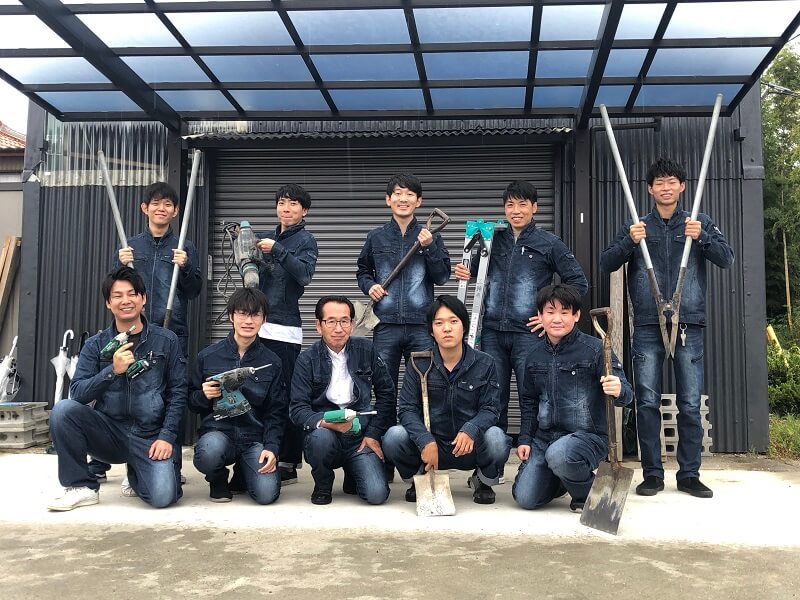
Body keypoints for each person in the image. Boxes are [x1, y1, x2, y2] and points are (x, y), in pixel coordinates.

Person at [600, 158, 733, 499]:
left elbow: (726, 258)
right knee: (646, 402)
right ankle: (653, 475)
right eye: (659, 182)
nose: (665, 187)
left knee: (689, 403)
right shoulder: (637, 225)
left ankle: (689, 475)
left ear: (682, 186)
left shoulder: (699, 222)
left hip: (689, 324)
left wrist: (702, 237)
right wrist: (629, 242)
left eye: (671, 181)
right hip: (647, 324)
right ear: (650, 189)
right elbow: (606, 262)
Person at [454, 179, 588, 435]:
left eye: (522, 204)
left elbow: (578, 283)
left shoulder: (549, 243)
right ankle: (494, 456)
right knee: (493, 395)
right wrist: (465, 272)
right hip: (492, 331)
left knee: (534, 393)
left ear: (534, 207)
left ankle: (533, 449)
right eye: (510, 205)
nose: (516, 211)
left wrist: (550, 316)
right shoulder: (493, 239)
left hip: (529, 333)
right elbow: (476, 271)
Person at [90, 182, 202, 485]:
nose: (161, 208)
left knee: (169, 394)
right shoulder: (130, 246)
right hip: (132, 331)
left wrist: (186, 266)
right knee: (119, 389)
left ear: (176, 211)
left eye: (168, 204)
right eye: (156, 203)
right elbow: (115, 288)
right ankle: (100, 461)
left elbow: (194, 290)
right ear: (145, 208)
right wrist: (118, 263)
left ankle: (171, 463)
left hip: (170, 330)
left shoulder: (184, 246)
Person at [47, 266, 185, 511]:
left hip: (149, 435)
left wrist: (166, 437)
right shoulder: (96, 345)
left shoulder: (166, 340)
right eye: (117, 295)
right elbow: (78, 393)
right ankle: (82, 486)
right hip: (108, 432)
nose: (125, 301)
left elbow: (178, 392)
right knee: (63, 411)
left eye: (132, 294)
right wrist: (112, 371)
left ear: (143, 299)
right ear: (108, 303)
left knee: (163, 497)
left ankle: (137, 471)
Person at [512, 284, 633, 512]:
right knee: (526, 499)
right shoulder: (533, 356)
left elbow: (626, 395)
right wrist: (525, 438)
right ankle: (563, 477)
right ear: (540, 316)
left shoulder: (596, 350)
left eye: (565, 312)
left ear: (576, 315)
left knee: (559, 454)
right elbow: (529, 402)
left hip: (587, 437)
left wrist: (618, 389)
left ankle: (583, 492)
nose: (557, 319)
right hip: (545, 439)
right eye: (550, 312)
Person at [383, 295, 511, 505]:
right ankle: (420, 478)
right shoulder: (418, 363)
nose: (447, 329)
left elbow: (491, 408)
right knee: (393, 437)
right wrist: (424, 439)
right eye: (439, 323)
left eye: (453, 321)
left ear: (464, 326)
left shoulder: (485, 363)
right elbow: (407, 409)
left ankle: (482, 480)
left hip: (469, 446)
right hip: (432, 447)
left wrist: (471, 429)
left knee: (497, 438)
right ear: (431, 331)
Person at [290, 296, 395, 506]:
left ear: (352, 324)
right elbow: (297, 409)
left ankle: (352, 473)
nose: (338, 328)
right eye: (331, 321)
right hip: (325, 432)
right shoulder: (306, 359)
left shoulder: (367, 350)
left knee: (377, 495)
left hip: (359, 434)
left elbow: (387, 394)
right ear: (318, 326)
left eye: (344, 321)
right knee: (320, 438)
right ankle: (323, 483)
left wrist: (373, 434)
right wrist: (326, 423)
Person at [189, 288, 286, 504]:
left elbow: (277, 411)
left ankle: (243, 472)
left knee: (266, 494)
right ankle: (217, 478)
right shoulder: (208, 356)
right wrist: (203, 395)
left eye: (255, 314)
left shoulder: (272, 361)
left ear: (264, 319)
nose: (248, 321)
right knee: (208, 453)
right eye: (242, 313)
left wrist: (271, 447)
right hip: (218, 433)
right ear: (231, 316)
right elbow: (191, 401)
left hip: (254, 438)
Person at [356, 173, 451, 389]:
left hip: (421, 325)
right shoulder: (376, 237)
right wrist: (370, 286)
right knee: (383, 386)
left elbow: (442, 277)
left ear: (419, 201)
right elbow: (363, 271)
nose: (403, 199)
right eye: (398, 194)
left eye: (409, 194)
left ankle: (417, 414)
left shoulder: (431, 237)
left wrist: (429, 247)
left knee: (423, 385)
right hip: (385, 324)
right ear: (388, 199)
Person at [256, 183, 318, 487]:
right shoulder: (265, 238)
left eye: (294, 204)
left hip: (285, 327)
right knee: (260, 390)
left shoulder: (306, 240)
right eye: (282, 202)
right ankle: (260, 450)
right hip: (257, 324)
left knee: (287, 392)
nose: (287, 208)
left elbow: (304, 275)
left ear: (304, 211)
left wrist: (277, 250)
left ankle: (290, 460)